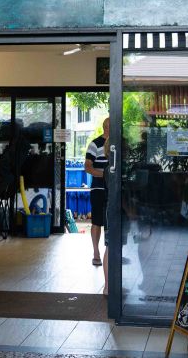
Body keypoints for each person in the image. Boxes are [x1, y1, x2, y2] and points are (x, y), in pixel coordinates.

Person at [85, 117, 110, 293]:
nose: (111, 128)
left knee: (111, 221)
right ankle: (96, 252)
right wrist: (105, 175)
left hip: (113, 190)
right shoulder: (95, 144)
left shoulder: (118, 144)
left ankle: (110, 252)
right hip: (99, 188)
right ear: (105, 127)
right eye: (109, 126)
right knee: (97, 222)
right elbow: (87, 167)